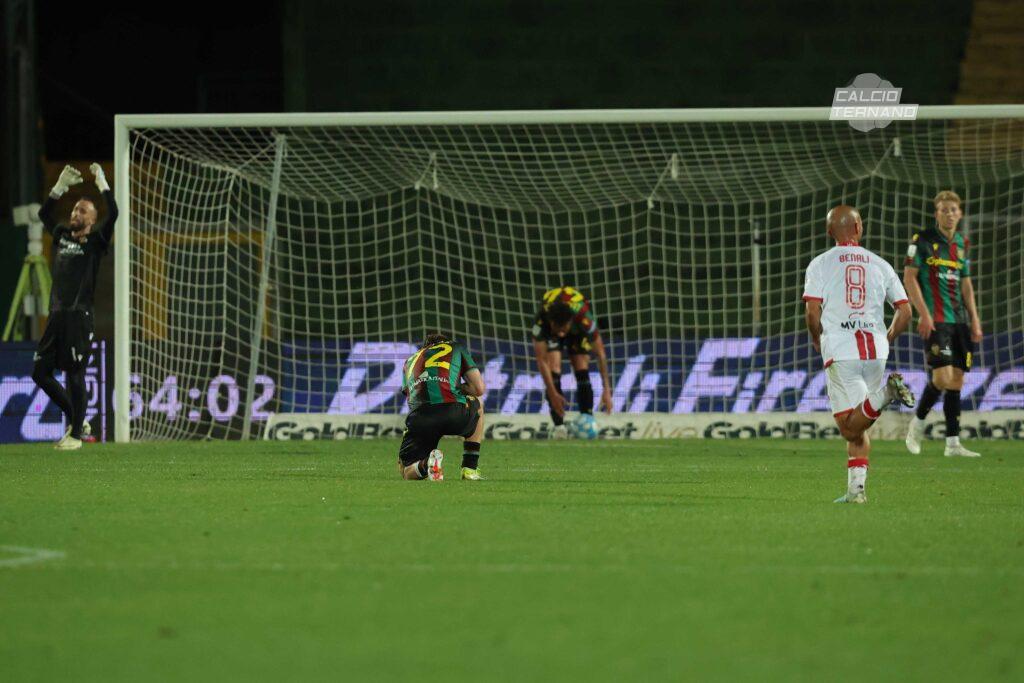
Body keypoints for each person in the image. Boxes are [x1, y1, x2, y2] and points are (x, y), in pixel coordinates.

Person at [803, 205, 914, 503]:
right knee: (858, 426)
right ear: (859, 228)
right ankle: (856, 491)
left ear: (829, 232)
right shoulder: (880, 264)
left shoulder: (820, 264)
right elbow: (905, 312)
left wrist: (816, 339)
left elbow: (812, 312)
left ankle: (885, 395)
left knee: (848, 425)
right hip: (876, 351)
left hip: (841, 350)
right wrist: (887, 338)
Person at [32, 164, 118, 450]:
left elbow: (114, 213)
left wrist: (103, 183)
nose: (75, 214)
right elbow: (44, 214)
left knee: (75, 373)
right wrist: (59, 187)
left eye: (82, 211)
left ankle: (77, 437)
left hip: (79, 316)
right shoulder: (62, 236)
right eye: (74, 210)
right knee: (40, 373)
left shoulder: (96, 242)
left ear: (92, 220)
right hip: (56, 315)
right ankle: (76, 419)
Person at [903, 191, 983, 457]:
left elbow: (966, 284)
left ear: (960, 214)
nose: (949, 214)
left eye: (953, 210)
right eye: (944, 210)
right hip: (936, 320)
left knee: (957, 380)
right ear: (936, 213)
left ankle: (952, 444)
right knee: (941, 377)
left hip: (959, 320)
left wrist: (975, 319)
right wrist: (923, 314)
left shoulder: (962, 243)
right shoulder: (922, 241)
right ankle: (917, 424)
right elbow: (909, 278)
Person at [398, 333, 486, 481]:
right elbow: (479, 389)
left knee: (406, 470)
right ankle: (469, 469)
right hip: (454, 412)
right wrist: (457, 389)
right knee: (478, 404)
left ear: (425, 347)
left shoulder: (409, 361)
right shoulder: (456, 347)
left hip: (420, 416)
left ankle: (426, 465)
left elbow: (410, 396)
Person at [530, 286, 612, 438]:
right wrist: (553, 394)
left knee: (580, 364)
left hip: (576, 331)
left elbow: (600, 353)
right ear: (551, 322)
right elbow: (542, 361)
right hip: (554, 329)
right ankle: (559, 427)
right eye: (558, 329)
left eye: (564, 329)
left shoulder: (583, 318)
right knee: (554, 367)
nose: (561, 334)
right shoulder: (541, 322)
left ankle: (587, 418)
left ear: (570, 322)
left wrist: (607, 389)